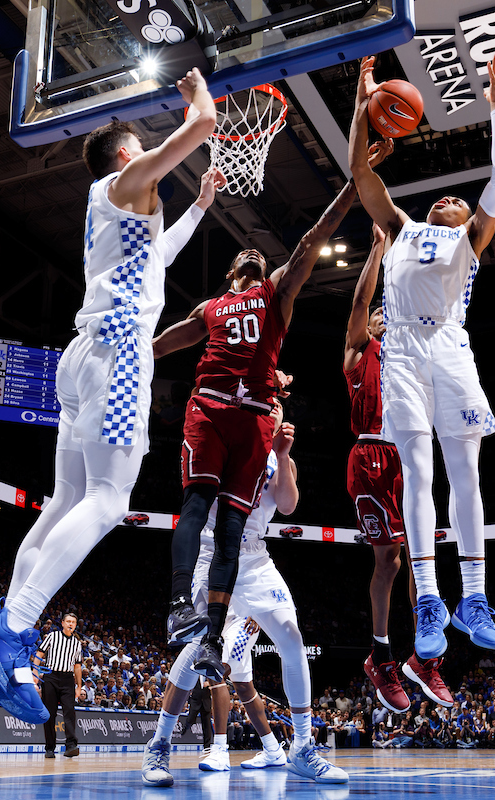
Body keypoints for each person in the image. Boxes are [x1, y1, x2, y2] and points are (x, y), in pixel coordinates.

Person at [0, 72, 221, 723]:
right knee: (108, 502)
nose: (149, 157)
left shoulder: (118, 212)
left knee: (66, 502)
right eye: (141, 148)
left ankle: (7, 642)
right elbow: (202, 126)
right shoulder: (122, 183)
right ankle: (12, 626)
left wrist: (196, 208)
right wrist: (196, 87)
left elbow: (156, 257)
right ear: (127, 157)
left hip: (83, 360)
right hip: (118, 357)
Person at [154, 145, 387, 680]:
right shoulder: (208, 308)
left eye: (260, 258)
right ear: (234, 273)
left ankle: (212, 639)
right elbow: (163, 345)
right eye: (246, 259)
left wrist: (354, 185)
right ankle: (176, 606)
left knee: (233, 530)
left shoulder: (275, 294)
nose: (254, 259)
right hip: (211, 408)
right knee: (195, 508)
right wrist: (124, 349)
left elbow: (312, 241)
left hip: (257, 415)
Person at [347, 54, 495, 658]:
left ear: (469, 219)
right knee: (418, 475)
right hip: (401, 350)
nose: (448, 196)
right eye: (442, 197)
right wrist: (363, 105)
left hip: (448, 344)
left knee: (464, 474)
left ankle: (474, 596)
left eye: (458, 199)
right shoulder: (399, 224)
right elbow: (360, 176)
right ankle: (428, 601)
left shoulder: (470, 238)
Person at [141, 404, 347, 786]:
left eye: (276, 405)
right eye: (264, 403)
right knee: (198, 651)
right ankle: (159, 745)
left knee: (292, 638)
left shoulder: (278, 456)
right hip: (211, 549)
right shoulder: (226, 436)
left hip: (255, 555)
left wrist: (283, 456)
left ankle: (301, 748)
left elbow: (286, 505)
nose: (270, 408)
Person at [344, 221, 452, 713]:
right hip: (370, 457)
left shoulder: (412, 354)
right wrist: (377, 250)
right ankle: (380, 654)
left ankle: (424, 657)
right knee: (387, 560)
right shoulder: (358, 351)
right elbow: (361, 303)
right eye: (381, 316)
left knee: (421, 558)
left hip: (409, 455)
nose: (387, 318)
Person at [33, 613, 84, 759]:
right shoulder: (52, 636)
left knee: (69, 711)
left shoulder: (76, 643)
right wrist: (35, 673)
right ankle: (50, 748)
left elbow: (78, 666)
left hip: (68, 679)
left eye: (73, 622)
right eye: (68, 621)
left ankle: (71, 746)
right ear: (62, 623)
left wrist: (79, 686)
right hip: (51, 677)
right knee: (50, 713)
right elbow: (39, 654)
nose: (70, 624)